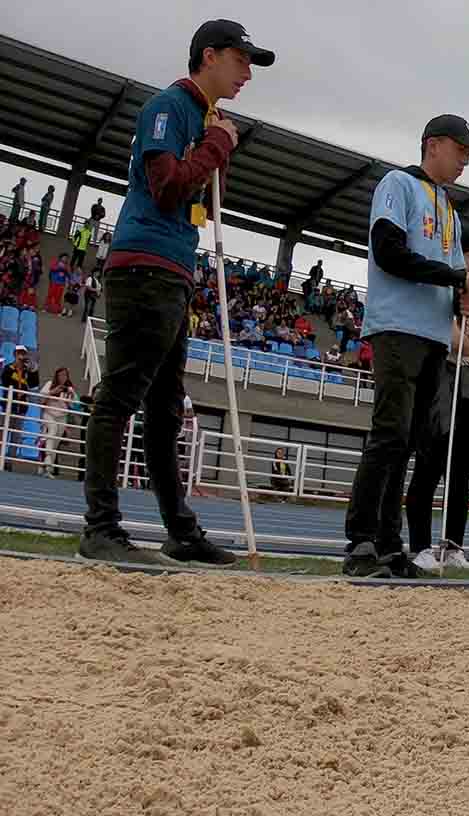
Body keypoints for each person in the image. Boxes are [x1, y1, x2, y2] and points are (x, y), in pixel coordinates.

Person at [80, 19, 275, 566]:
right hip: (146, 263)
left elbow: (202, 203)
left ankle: (180, 531)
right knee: (122, 395)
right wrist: (216, 144)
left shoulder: (206, 118)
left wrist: (219, 147)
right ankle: (101, 527)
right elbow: (167, 186)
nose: (247, 74)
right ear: (209, 56)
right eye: (241, 60)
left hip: (174, 267)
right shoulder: (168, 107)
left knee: (165, 408)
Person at [341, 113, 469, 579]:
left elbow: (452, 277)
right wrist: (454, 277)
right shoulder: (398, 184)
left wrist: (464, 296)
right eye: (461, 149)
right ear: (433, 145)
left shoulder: (451, 211)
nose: (465, 160)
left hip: (433, 338)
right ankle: (361, 540)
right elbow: (388, 251)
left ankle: (390, 544)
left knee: (408, 443)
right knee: (389, 434)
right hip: (397, 327)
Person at [406, 230, 469, 560]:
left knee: (461, 473)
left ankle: (454, 547)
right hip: (440, 387)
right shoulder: (442, 291)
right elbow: (456, 342)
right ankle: (420, 546)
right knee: (428, 468)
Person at [38, 367, 77, 477]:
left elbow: (74, 406)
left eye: (65, 375)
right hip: (49, 414)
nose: (63, 377)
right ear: (57, 376)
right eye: (60, 375)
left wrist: (70, 397)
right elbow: (41, 400)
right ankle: (47, 461)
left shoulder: (70, 389)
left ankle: (47, 469)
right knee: (52, 429)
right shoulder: (50, 384)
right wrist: (52, 392)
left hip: (62, 417)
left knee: (55, 443)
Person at [1, 345, 40, 419]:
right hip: (8, 404)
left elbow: (33, 385)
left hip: (22, 407)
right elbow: (5, 383)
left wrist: (33, 370)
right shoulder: (8, 368)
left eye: (23, 354)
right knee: (4, 425)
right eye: (19, 353)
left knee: (17, 425)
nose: (21, 356)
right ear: (15, 354)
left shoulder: (27, 371)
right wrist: (16, 366)